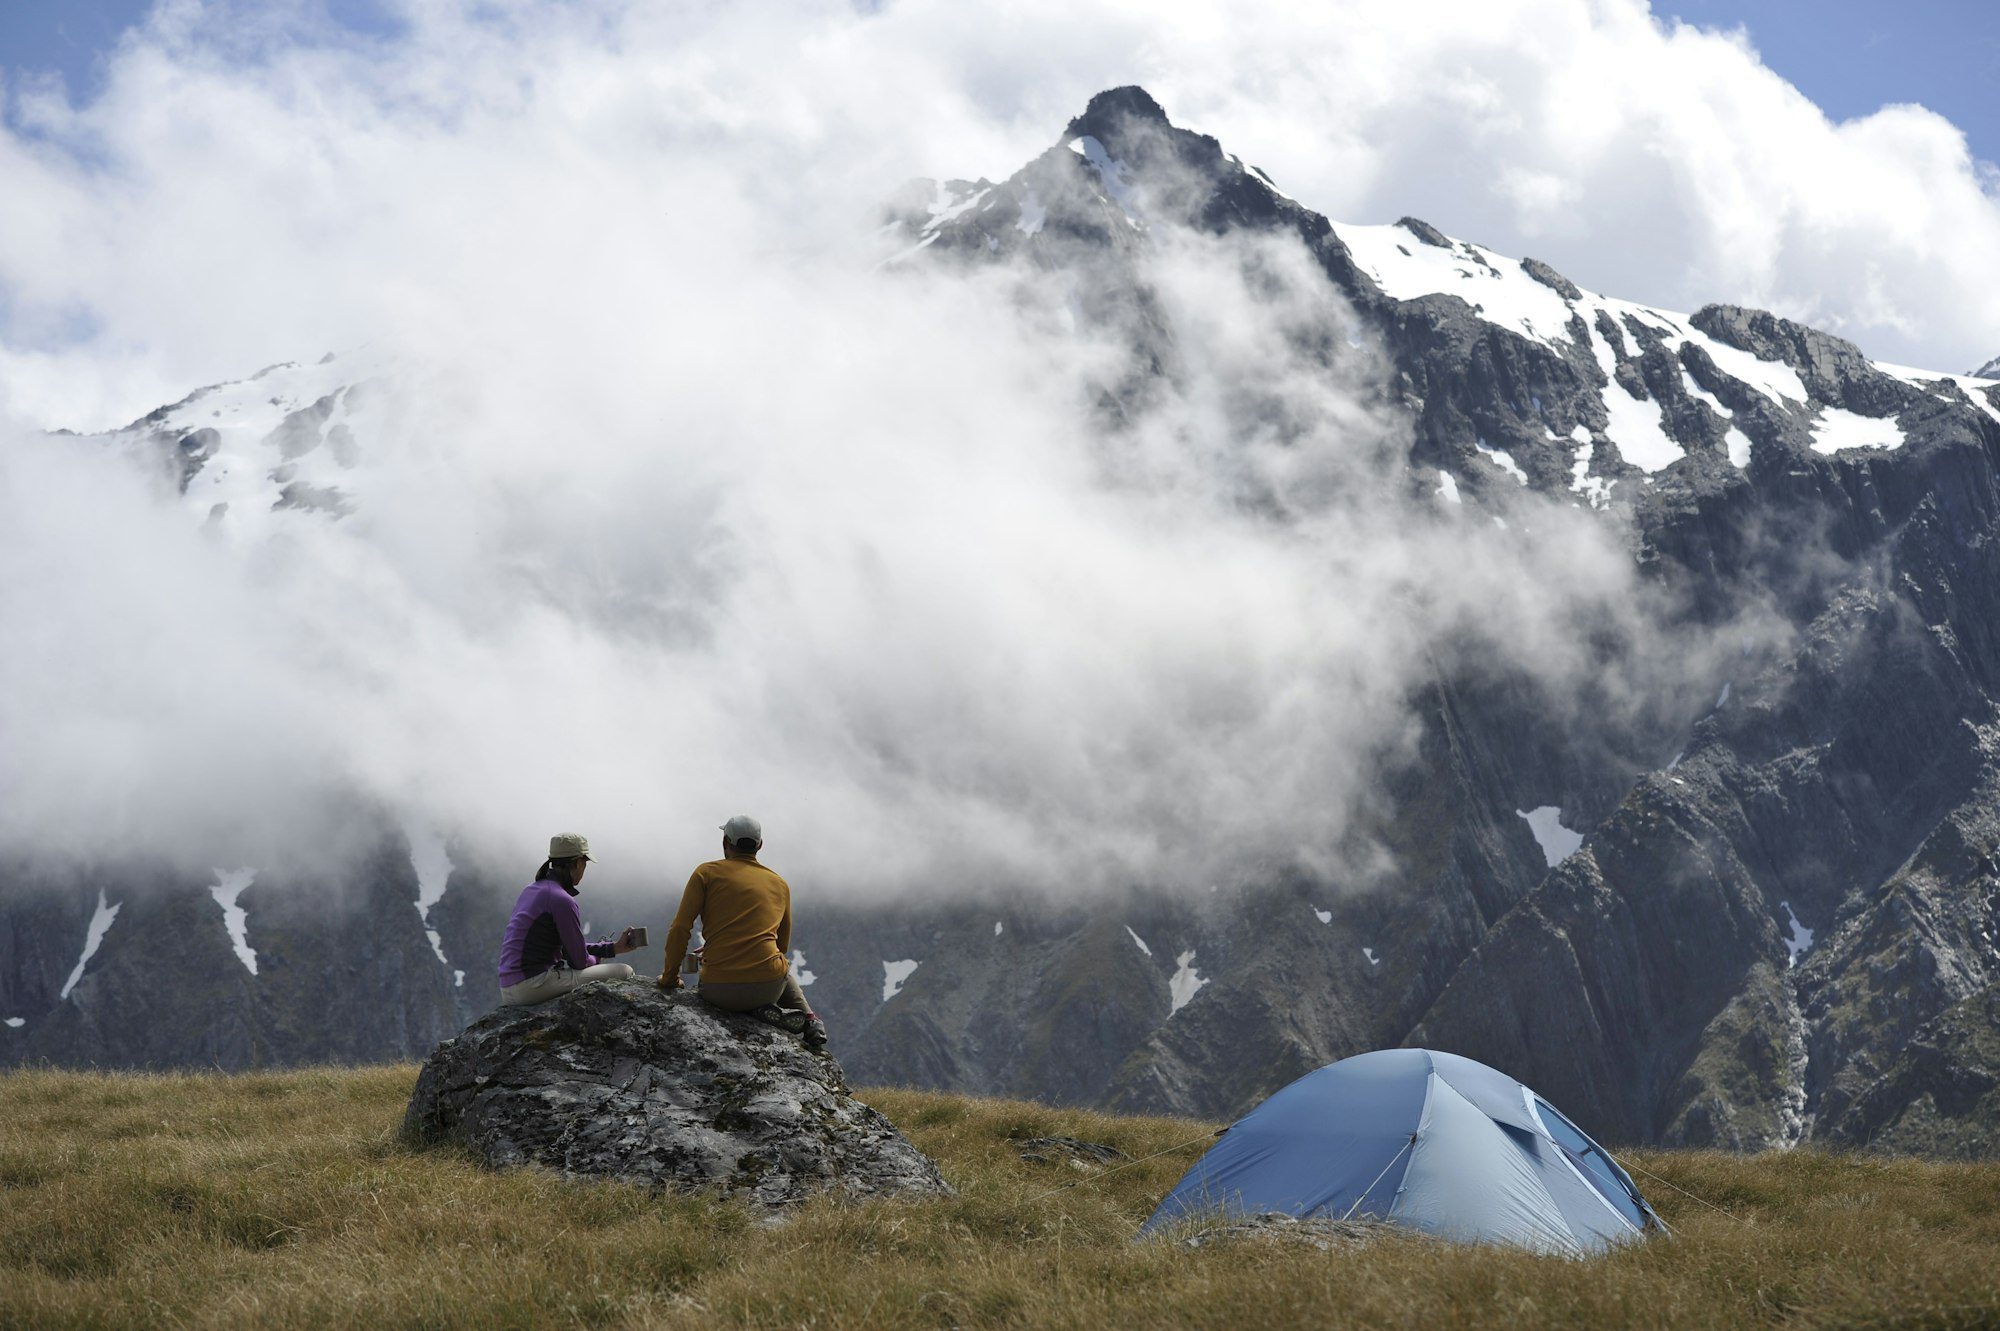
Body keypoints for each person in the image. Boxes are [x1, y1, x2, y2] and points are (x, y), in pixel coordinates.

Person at [658, 815, 827, 1049]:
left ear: (725, 842)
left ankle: (756, 1011)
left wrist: (669, 978)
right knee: (780, 965)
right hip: (768, 987)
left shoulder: (706, 873)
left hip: (719, 990)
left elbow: (680, 928)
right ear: (759, 845)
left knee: (737, 990)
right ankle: (808, 1019)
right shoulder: (779, 884)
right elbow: (782, 946)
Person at [497, 833, 643, 1006]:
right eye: (585, 863)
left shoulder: (532, 890)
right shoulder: (561, 900)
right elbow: (579, 961)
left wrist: (612, 948)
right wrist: (597, 960)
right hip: (532, 985)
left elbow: (568, 946)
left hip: (509, 988)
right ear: (578, 862)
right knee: (624, 971)